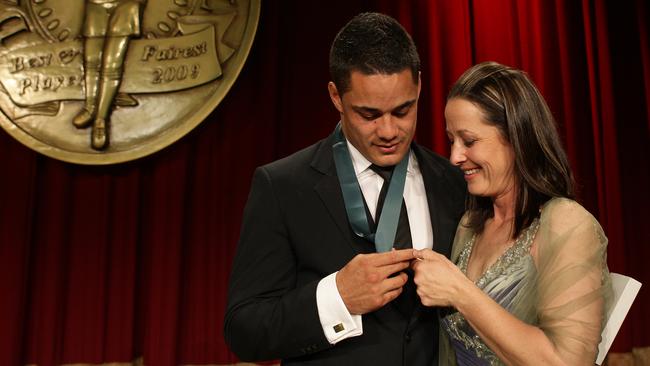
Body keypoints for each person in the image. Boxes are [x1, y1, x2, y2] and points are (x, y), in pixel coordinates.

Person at [224, 12, 466, 365]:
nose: (388, 131)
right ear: (336, 97)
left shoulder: (454, 183)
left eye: (403, 110)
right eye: (369, 114)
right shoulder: (282, 187)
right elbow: (243, 330)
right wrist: (338, 298)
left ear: (419, 87)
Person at [412, 61, 613, 365]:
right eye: (452, 140)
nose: (454, 156)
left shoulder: (565, 223)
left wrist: (460, 292)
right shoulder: (471, 225)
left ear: (516, 136)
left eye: (469, 141)